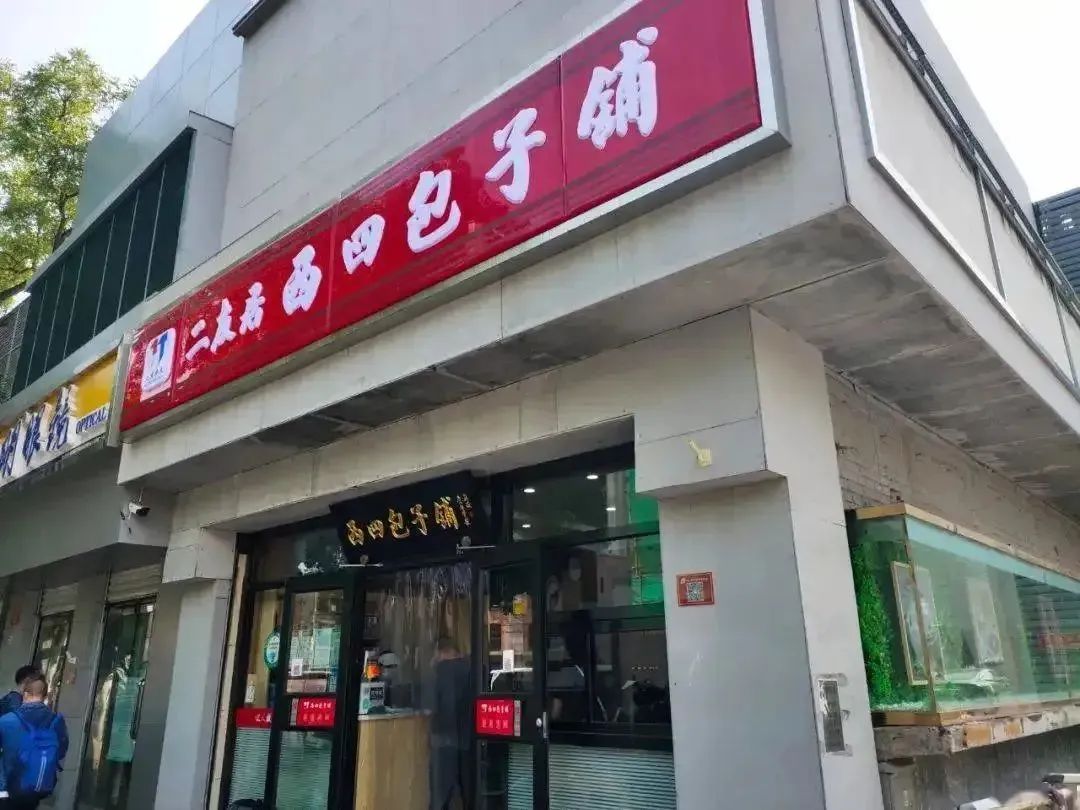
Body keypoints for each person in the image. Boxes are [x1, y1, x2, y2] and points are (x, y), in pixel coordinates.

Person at [0, 675, 69, 809]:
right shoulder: (56, 722)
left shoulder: (8, 720)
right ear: (44, 696)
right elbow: (61, 752)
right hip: (35, 789)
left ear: (25, 694)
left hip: (5, 790)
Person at [428, 636, 471, 810]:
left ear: (441, 652)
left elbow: (445, 704)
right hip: (468, 740)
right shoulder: (472, 667)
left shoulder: (444, 671)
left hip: (446, 740)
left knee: (441, 795)